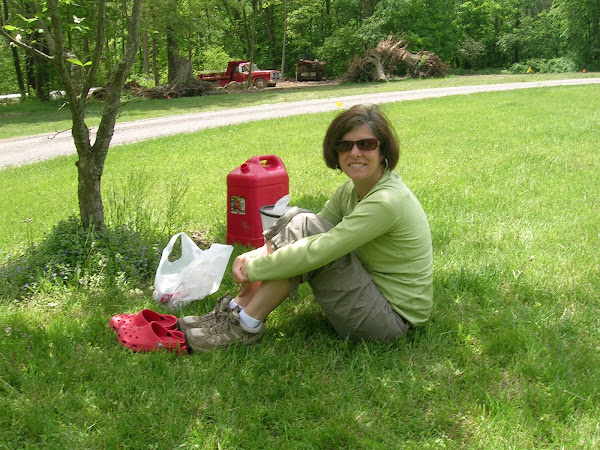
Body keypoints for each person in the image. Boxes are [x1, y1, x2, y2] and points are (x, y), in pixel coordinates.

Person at [179, 104, 433, 352]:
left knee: (307, 246)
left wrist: (254, 268)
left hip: (391, 321)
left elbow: (319, 250)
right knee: (298, 218)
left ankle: (246, 325)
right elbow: (307, 227)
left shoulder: (387, 201)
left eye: (366, 144)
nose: (354, 153)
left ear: (383, 151)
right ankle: (234, 311)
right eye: (345, 145)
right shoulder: (351, 191)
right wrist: (252, 255)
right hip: (372, 298)